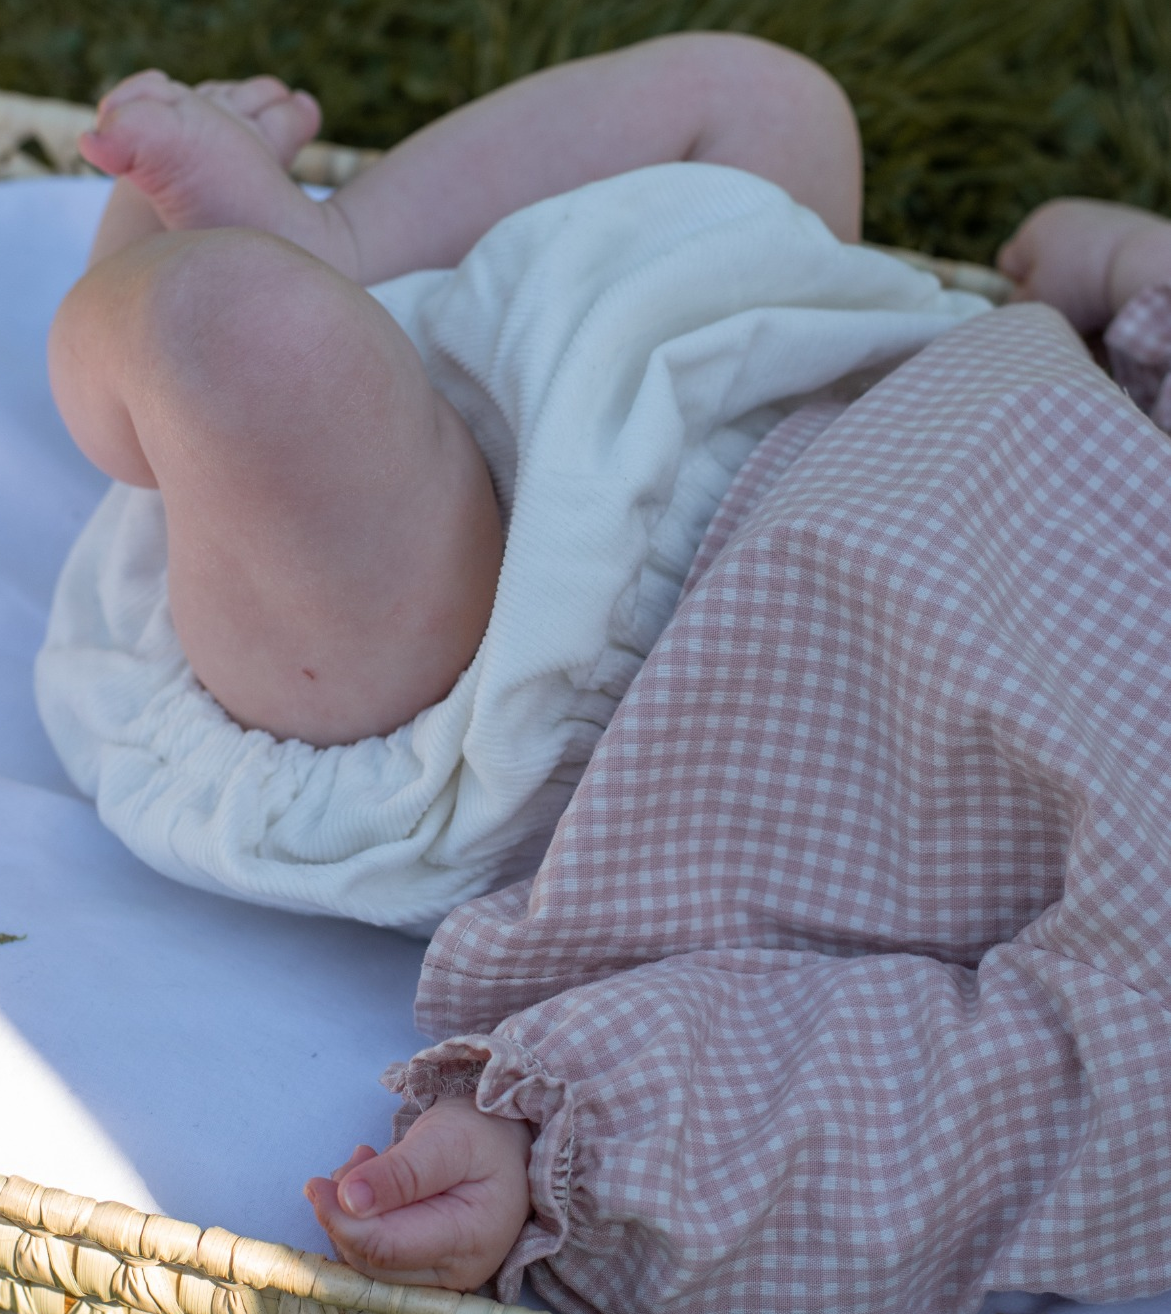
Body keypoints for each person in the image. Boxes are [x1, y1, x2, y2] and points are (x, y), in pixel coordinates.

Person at [301, 195, 1171, 1308]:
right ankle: (319, 240)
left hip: (571, 658)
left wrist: (562, 1145)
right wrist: (1134, 276)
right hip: (789, 356)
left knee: (268, 355)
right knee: (769, 103)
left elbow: (921, 1123)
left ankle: (186, 304)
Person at [38, 32, 979, 934]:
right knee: (773, 102)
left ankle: (141, 348)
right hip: (764, 389)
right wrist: (1115, 268)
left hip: (494, 693)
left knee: (253, 336)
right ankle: (344, 245)